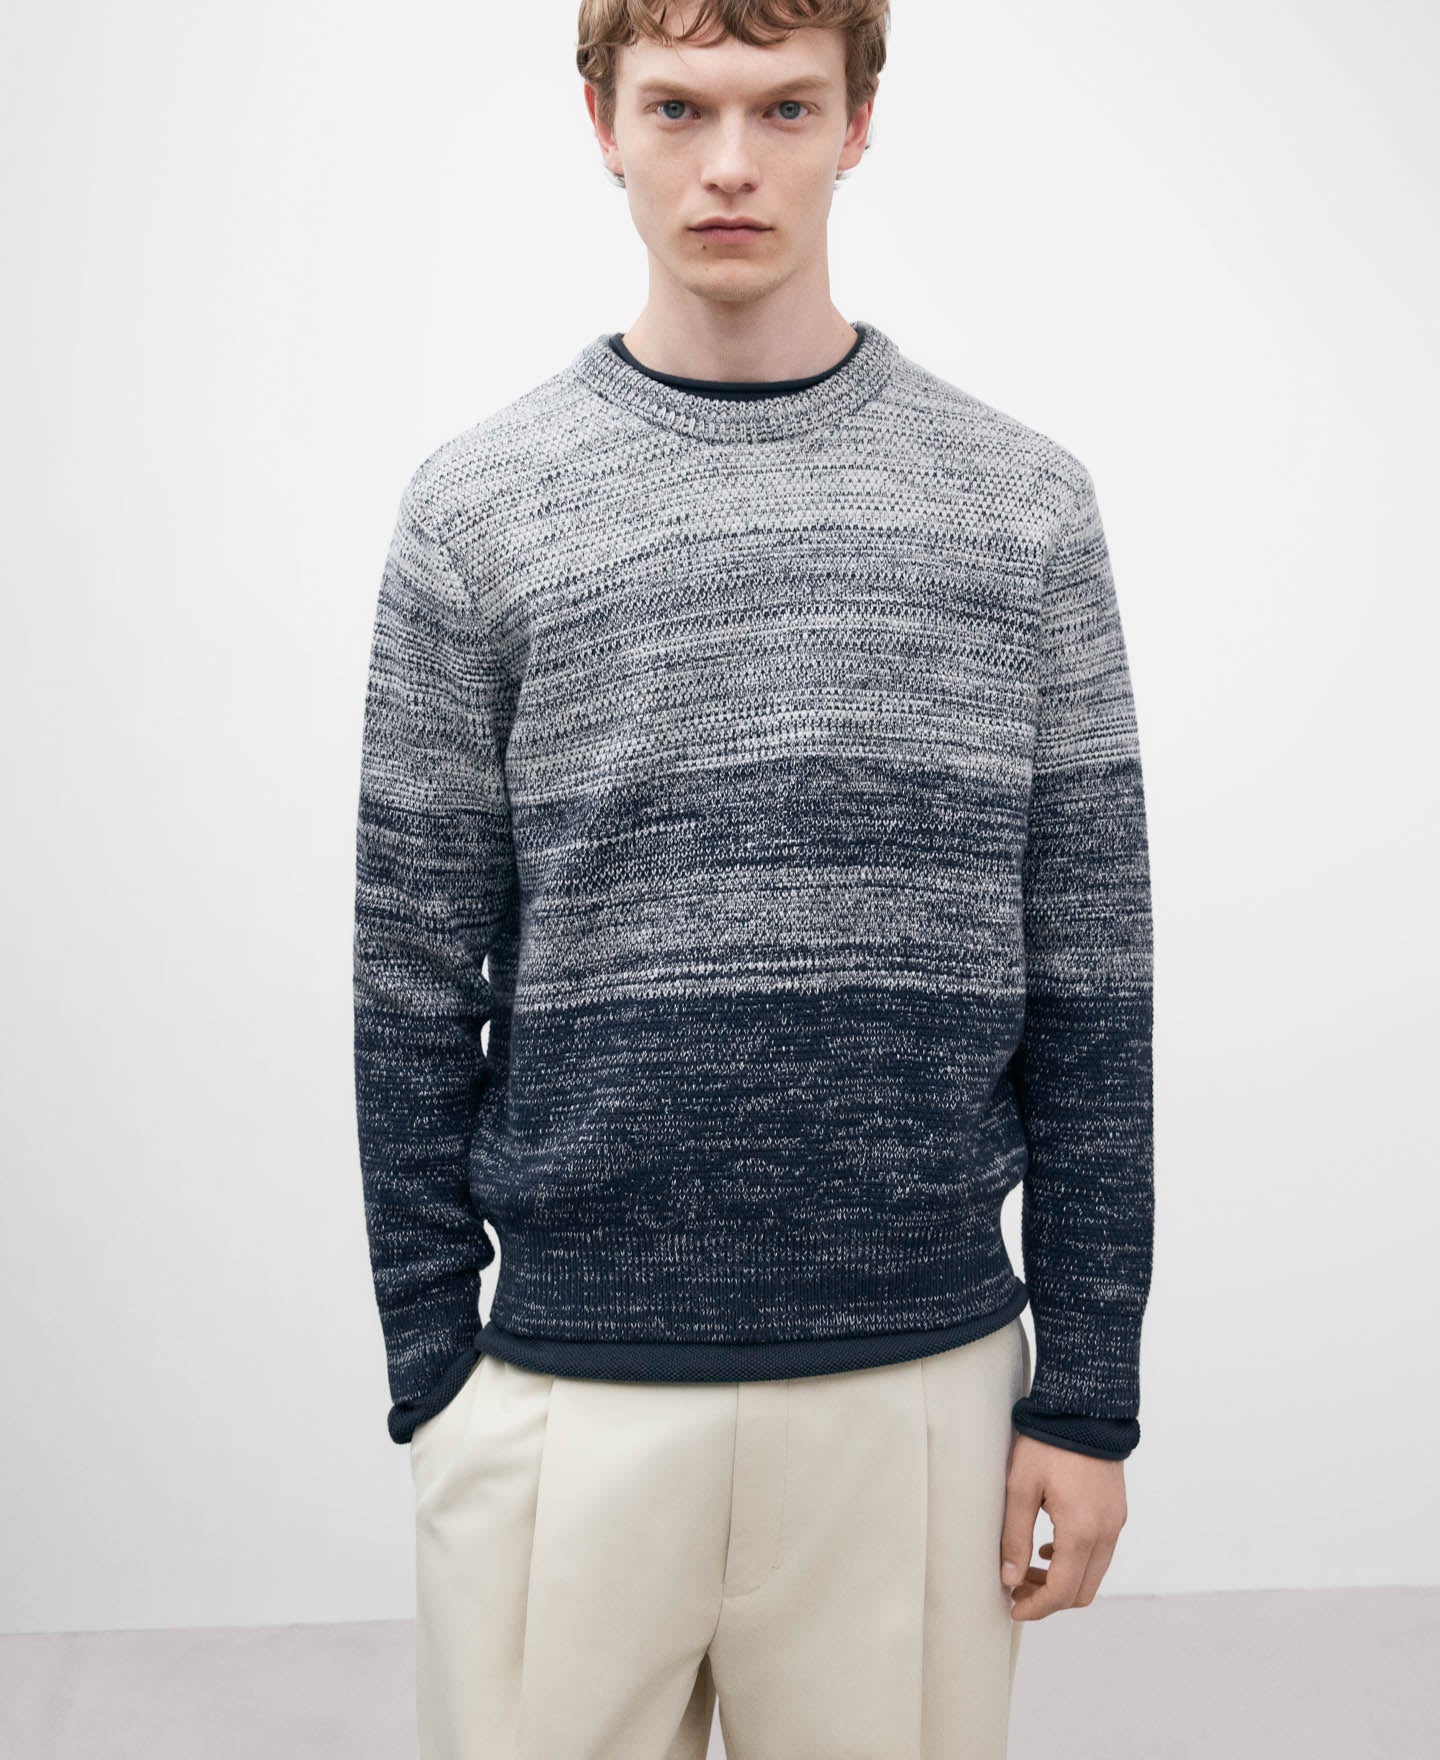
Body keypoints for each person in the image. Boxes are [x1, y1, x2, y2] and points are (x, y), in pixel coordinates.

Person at [352, 2, 1155, 1755]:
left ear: (858, 124)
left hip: (917, 1392)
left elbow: (1093, 986)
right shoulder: (479, 509)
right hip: (565, 1391)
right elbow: (410, 973)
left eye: (784, 108)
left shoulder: (1021, 509)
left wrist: (1089, 1394)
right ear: (602, 120)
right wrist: (437, 1369)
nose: (730, 163)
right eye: (680, 108)